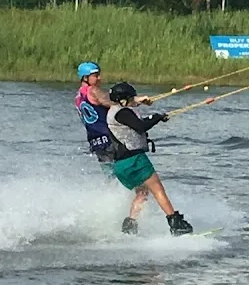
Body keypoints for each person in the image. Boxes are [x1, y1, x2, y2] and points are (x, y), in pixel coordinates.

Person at [106, 82, 194, 236]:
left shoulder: (114, 111)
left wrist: (151, 113)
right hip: (135, 160)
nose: (133, 100)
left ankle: (130, 226)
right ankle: (176, 224)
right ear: (123, 100)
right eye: (131, 98)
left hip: (121, 164)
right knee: (157, 189)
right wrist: (156, 117)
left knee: (142, 193)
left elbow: (136, 121)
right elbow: (141, 126)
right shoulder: (123, 113)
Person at [74, 61, 151, 166]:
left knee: (110, 172)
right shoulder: (93, 90)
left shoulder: (78, 96)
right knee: (128, 169)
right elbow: (115, 101)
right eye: (96, 75)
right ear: (85, 78)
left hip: (95, 141)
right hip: (110, 139)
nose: (99, 78)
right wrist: (137, 100)